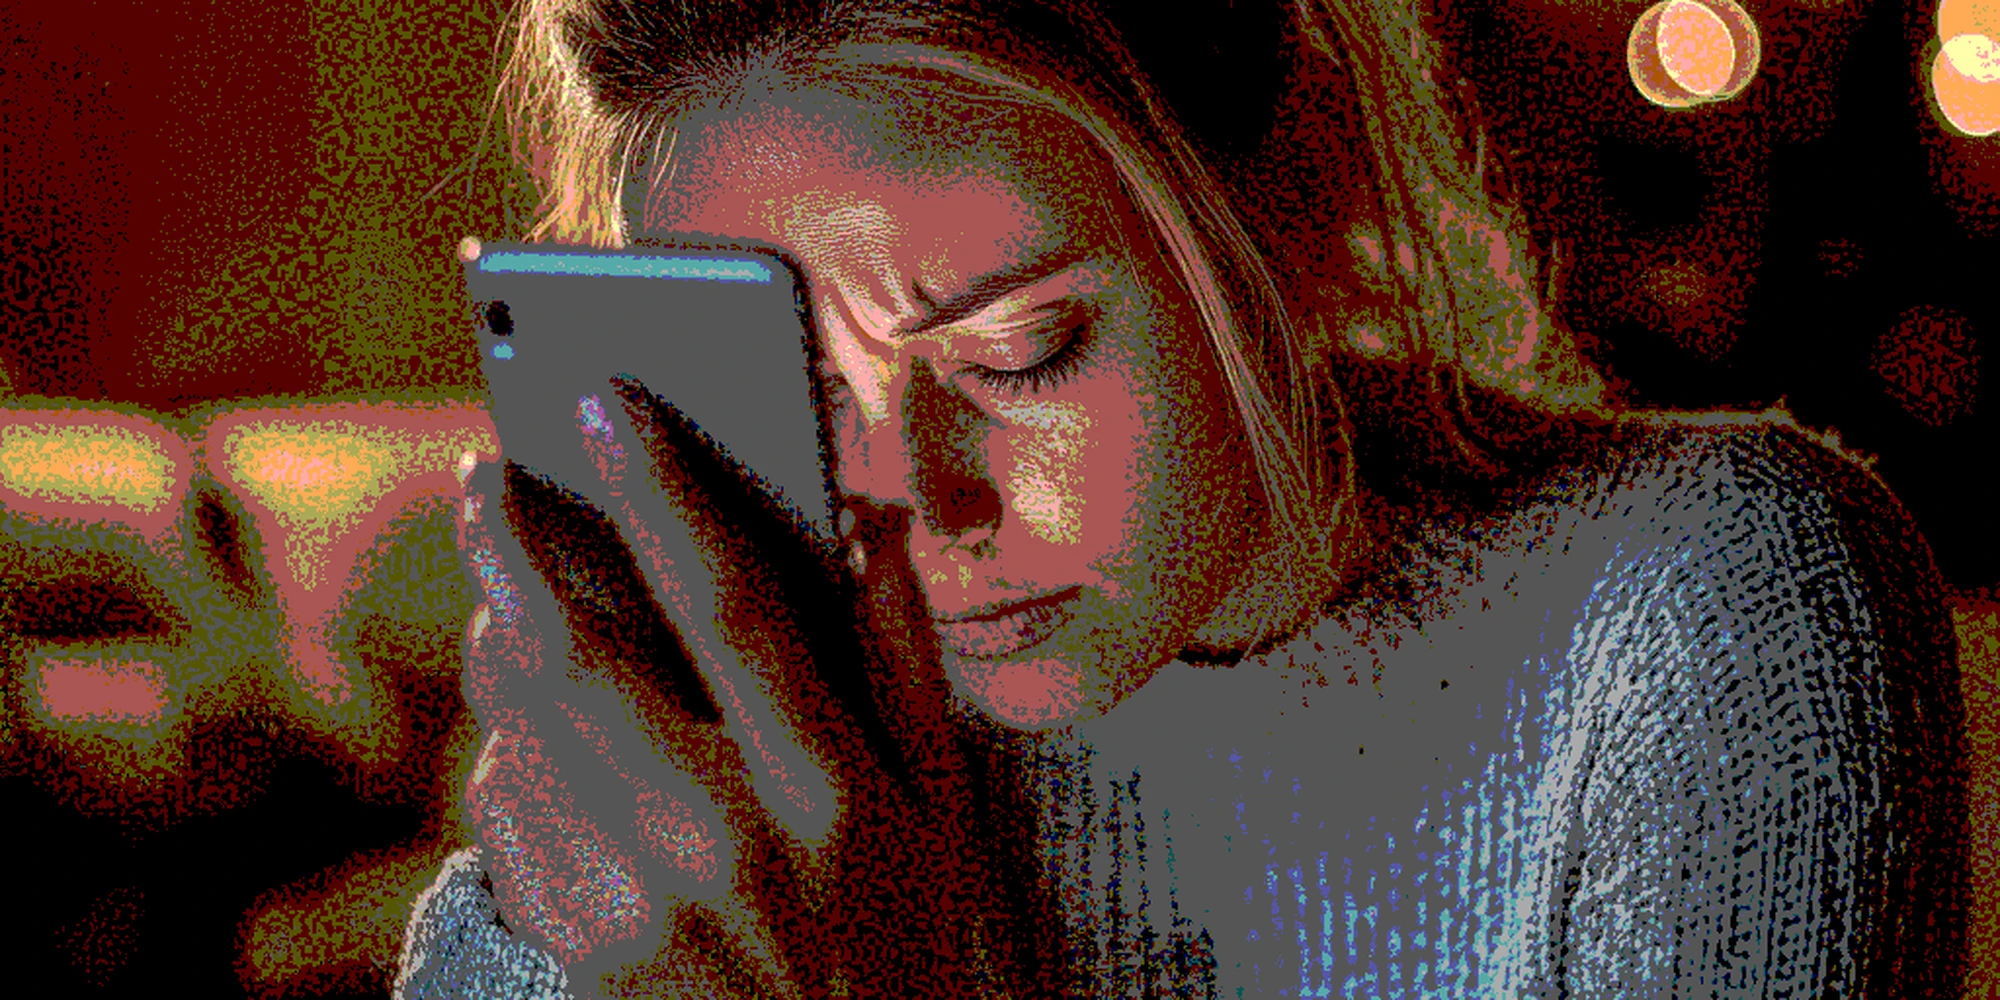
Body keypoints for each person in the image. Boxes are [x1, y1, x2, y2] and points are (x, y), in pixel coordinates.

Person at [395, 0, 1969, 996]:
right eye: (800, 393)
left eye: (1021, 351)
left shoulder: (1704, 607)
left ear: (1286, 195)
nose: (917, 508)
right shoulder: (724, 752)